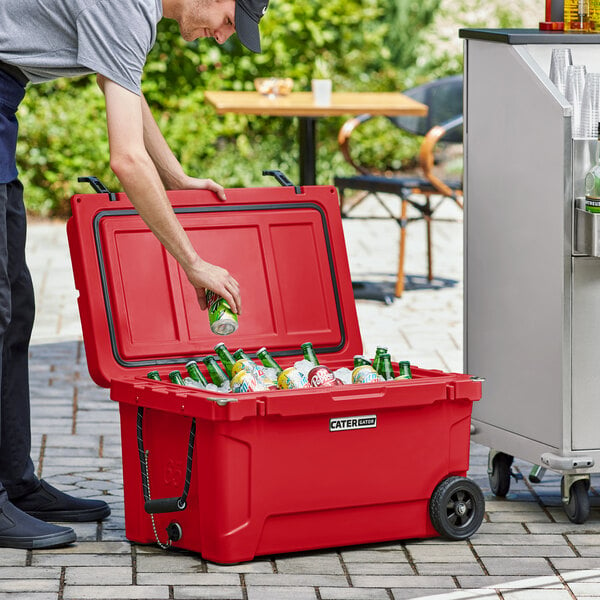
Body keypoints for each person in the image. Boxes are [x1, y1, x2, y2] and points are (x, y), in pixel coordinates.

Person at [0, 0, 267, 549]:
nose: (221, 37)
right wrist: (192, 261)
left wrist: (175, 176)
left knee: (15, 311)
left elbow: (123, 85)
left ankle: (15, 484)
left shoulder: (135, 12)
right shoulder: (127, 5)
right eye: (227, 22)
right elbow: (125, 159)